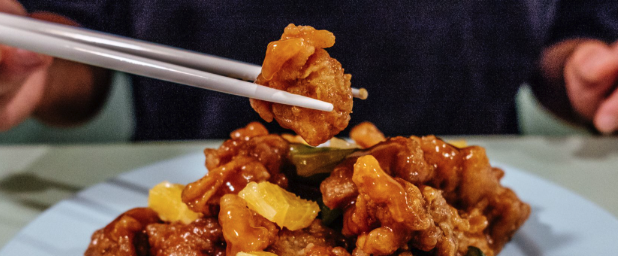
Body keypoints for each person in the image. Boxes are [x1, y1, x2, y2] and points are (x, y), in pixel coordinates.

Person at [1, 0, 617, 140]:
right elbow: (75, 34)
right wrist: (29, 64)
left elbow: (571, 27)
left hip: (466, 203)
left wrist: (584, 72)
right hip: (195, 193)